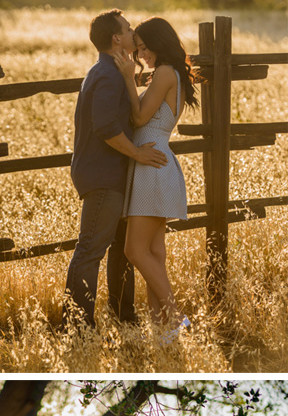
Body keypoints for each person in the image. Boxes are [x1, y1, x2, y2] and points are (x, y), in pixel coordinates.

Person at [63, 9, 168, 330]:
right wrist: (136, 152)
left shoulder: (113, 71)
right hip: (104, 175)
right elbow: (105, 126)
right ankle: (77, 327)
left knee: (122, 251)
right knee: (90, 249)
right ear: (116, 38)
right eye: (128, 28)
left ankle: (125, 319)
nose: (133, 31)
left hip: (115, 175)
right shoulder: (106, 74)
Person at [113, 17, 197, 339]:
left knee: (135, 251)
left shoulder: (163, 73)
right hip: (155, 163)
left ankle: (175, 317)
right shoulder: (171, 73)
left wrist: (127, 78)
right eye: (139, 49)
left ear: (159, 44)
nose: (141, 55)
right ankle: (162, 330)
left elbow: (138, 116)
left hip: (152, 164)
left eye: (145, 48)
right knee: (154, 252)